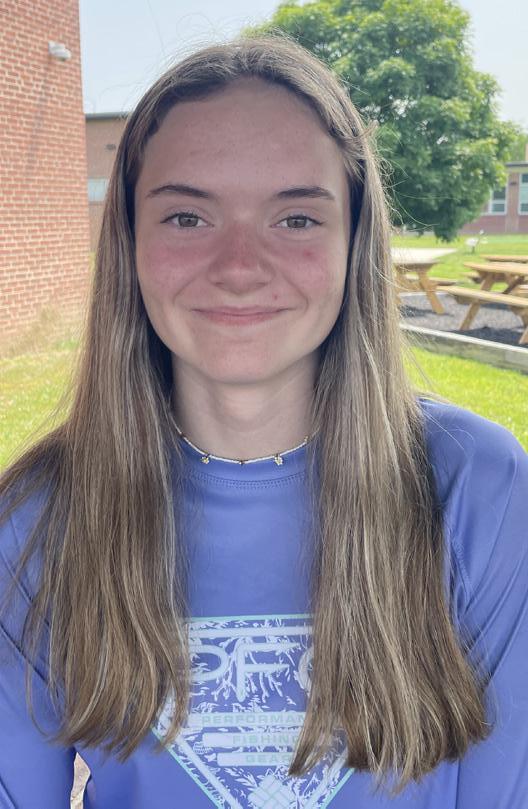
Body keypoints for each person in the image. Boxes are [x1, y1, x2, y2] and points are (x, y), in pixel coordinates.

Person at [0, 34, 527, 809]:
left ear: (354, 241)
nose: (240, 267)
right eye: (187, 216)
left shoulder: (480, 489)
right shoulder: (36, 519)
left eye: (296, 218)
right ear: (130, 242)